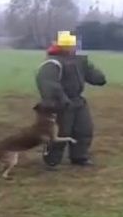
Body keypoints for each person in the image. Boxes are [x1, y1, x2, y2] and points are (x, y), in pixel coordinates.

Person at [36, 31, 107, 168]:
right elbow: (48, 84)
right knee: (61, 132)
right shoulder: (52, 63)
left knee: (84, 129)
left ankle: (80, 156)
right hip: (59, 103)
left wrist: (97, 76)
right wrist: (61, 99)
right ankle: (52, 159)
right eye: (69, 46)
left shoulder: (79, 61)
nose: (72, 48)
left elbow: (93, 76)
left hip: (77, 101)